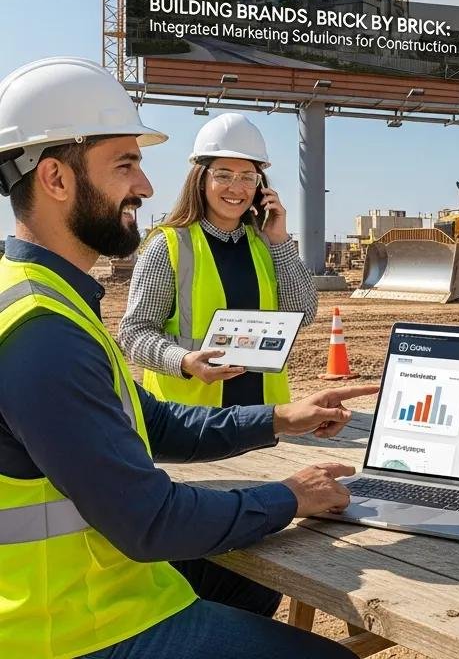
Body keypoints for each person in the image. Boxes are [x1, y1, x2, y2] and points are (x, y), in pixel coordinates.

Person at [0, 57, 377, 658]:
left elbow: (149, 421)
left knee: (241, 577)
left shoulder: (42, 296)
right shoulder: (44, 332)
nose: (144, 186)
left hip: (106, 568)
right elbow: (150, 520)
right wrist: (289, 496)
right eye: (125, 164)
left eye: (247, 176)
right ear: (55, 178)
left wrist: (282, 417)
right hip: (72, 623)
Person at [119, 112, 316, 407]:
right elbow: (134, 334)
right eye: (223, 175)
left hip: (262, 421)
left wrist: (280, 240)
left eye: (248, 177)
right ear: (200, 179)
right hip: (189, 424)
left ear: (261, 186)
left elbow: (303, 314)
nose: (236, 188)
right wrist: (184, 360)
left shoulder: (266, 245)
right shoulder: (169, 246)